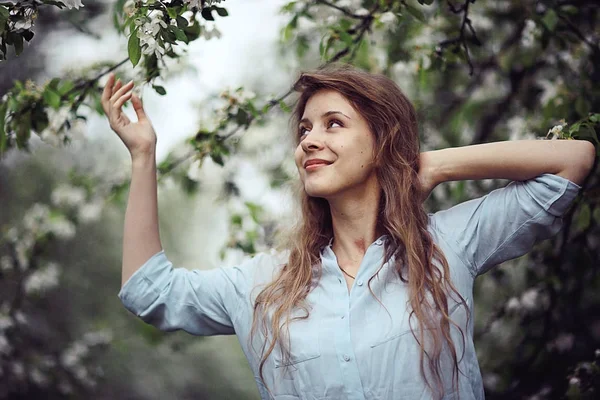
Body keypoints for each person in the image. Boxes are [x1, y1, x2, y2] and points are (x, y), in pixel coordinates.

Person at [102, 63, 595, 400]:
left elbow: (573, 161)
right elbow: (149, 290)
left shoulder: (447, 245)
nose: (309, 141)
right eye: (304, 131)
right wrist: (143, 156)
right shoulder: (262, 286)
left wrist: (430, 166)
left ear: (382, 141)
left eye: (333, 124)